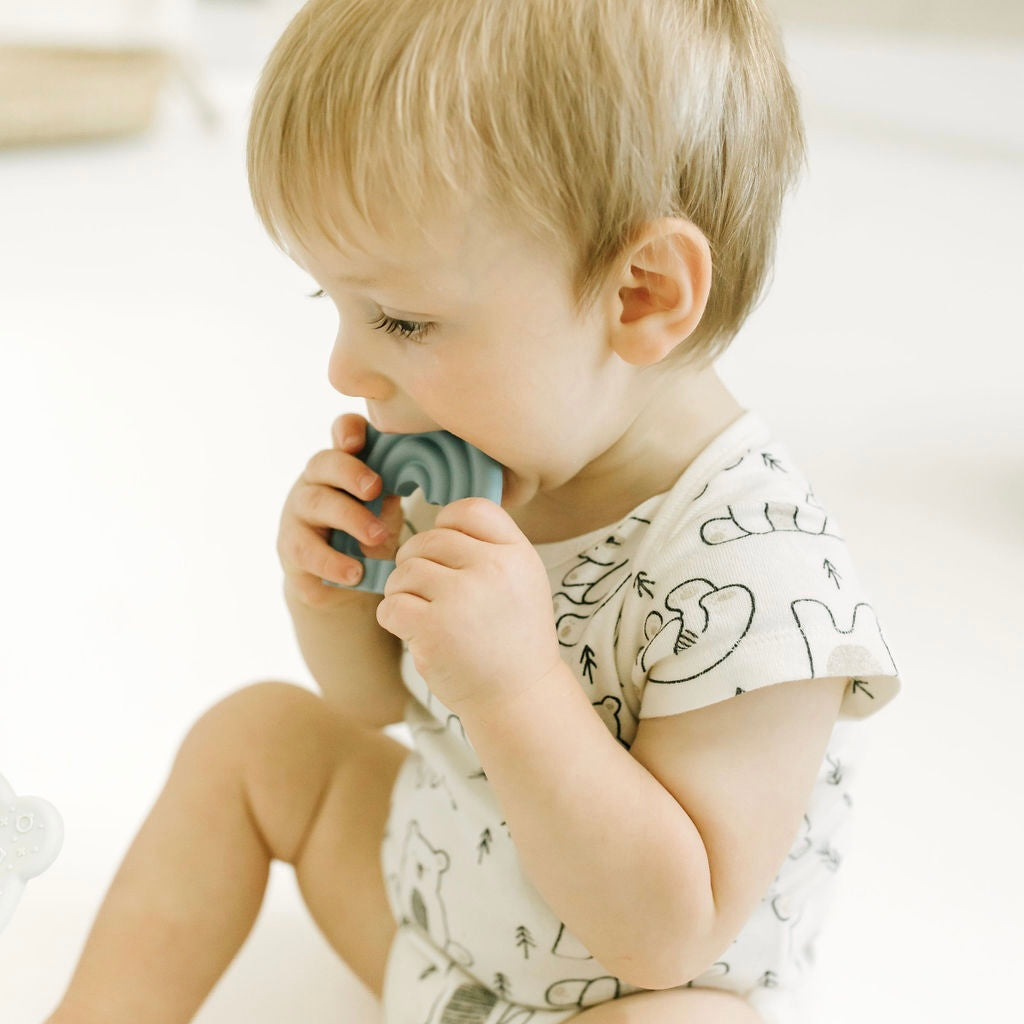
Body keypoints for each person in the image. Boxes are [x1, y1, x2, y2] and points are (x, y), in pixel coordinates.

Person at [45, 1, 900, 1022]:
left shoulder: (764, 578)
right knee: (255, 736)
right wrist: (329, 592)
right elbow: (376, 702)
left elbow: (672, 927)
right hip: (428, 923)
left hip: (613, 997)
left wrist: (514, 686)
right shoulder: (493, 456)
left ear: (639, 295)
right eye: (337, 305)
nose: (346, 366)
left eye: (401, 318)